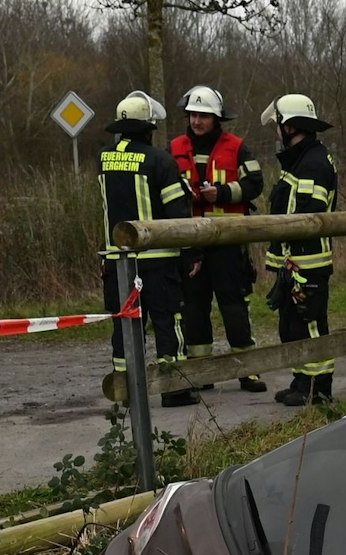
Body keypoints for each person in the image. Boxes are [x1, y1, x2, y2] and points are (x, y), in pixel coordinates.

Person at [99, 90, 200, 408]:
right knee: (168, 322)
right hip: (157, 263)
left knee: (124, 326)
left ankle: (126, 390)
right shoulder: (160, 161)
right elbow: (178, 214)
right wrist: (190, 252)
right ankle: (174, 389)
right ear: (148, 127)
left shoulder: (104, 160)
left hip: (117, 262)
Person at [171, 85, 266, 393]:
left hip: (228, 241)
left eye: (204, 116)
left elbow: (255, 183)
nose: (197, 121)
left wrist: (223, 193)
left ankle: (247, 371)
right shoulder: (173, 149)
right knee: (194, 308)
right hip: (190, 242)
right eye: (193, 115)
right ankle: (201, 373)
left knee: (234, 305)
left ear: (217, 118)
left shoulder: (237, 147)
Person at [260, 93, 339, 407]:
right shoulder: (302, 159)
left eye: (277, 125)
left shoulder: (313, 163)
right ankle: (301, 381)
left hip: (307, 263)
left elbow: (306, 215)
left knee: (310, 322)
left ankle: (318, 388)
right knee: (292, 325)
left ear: (290, 126)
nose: (275, 132)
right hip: (293, 263)